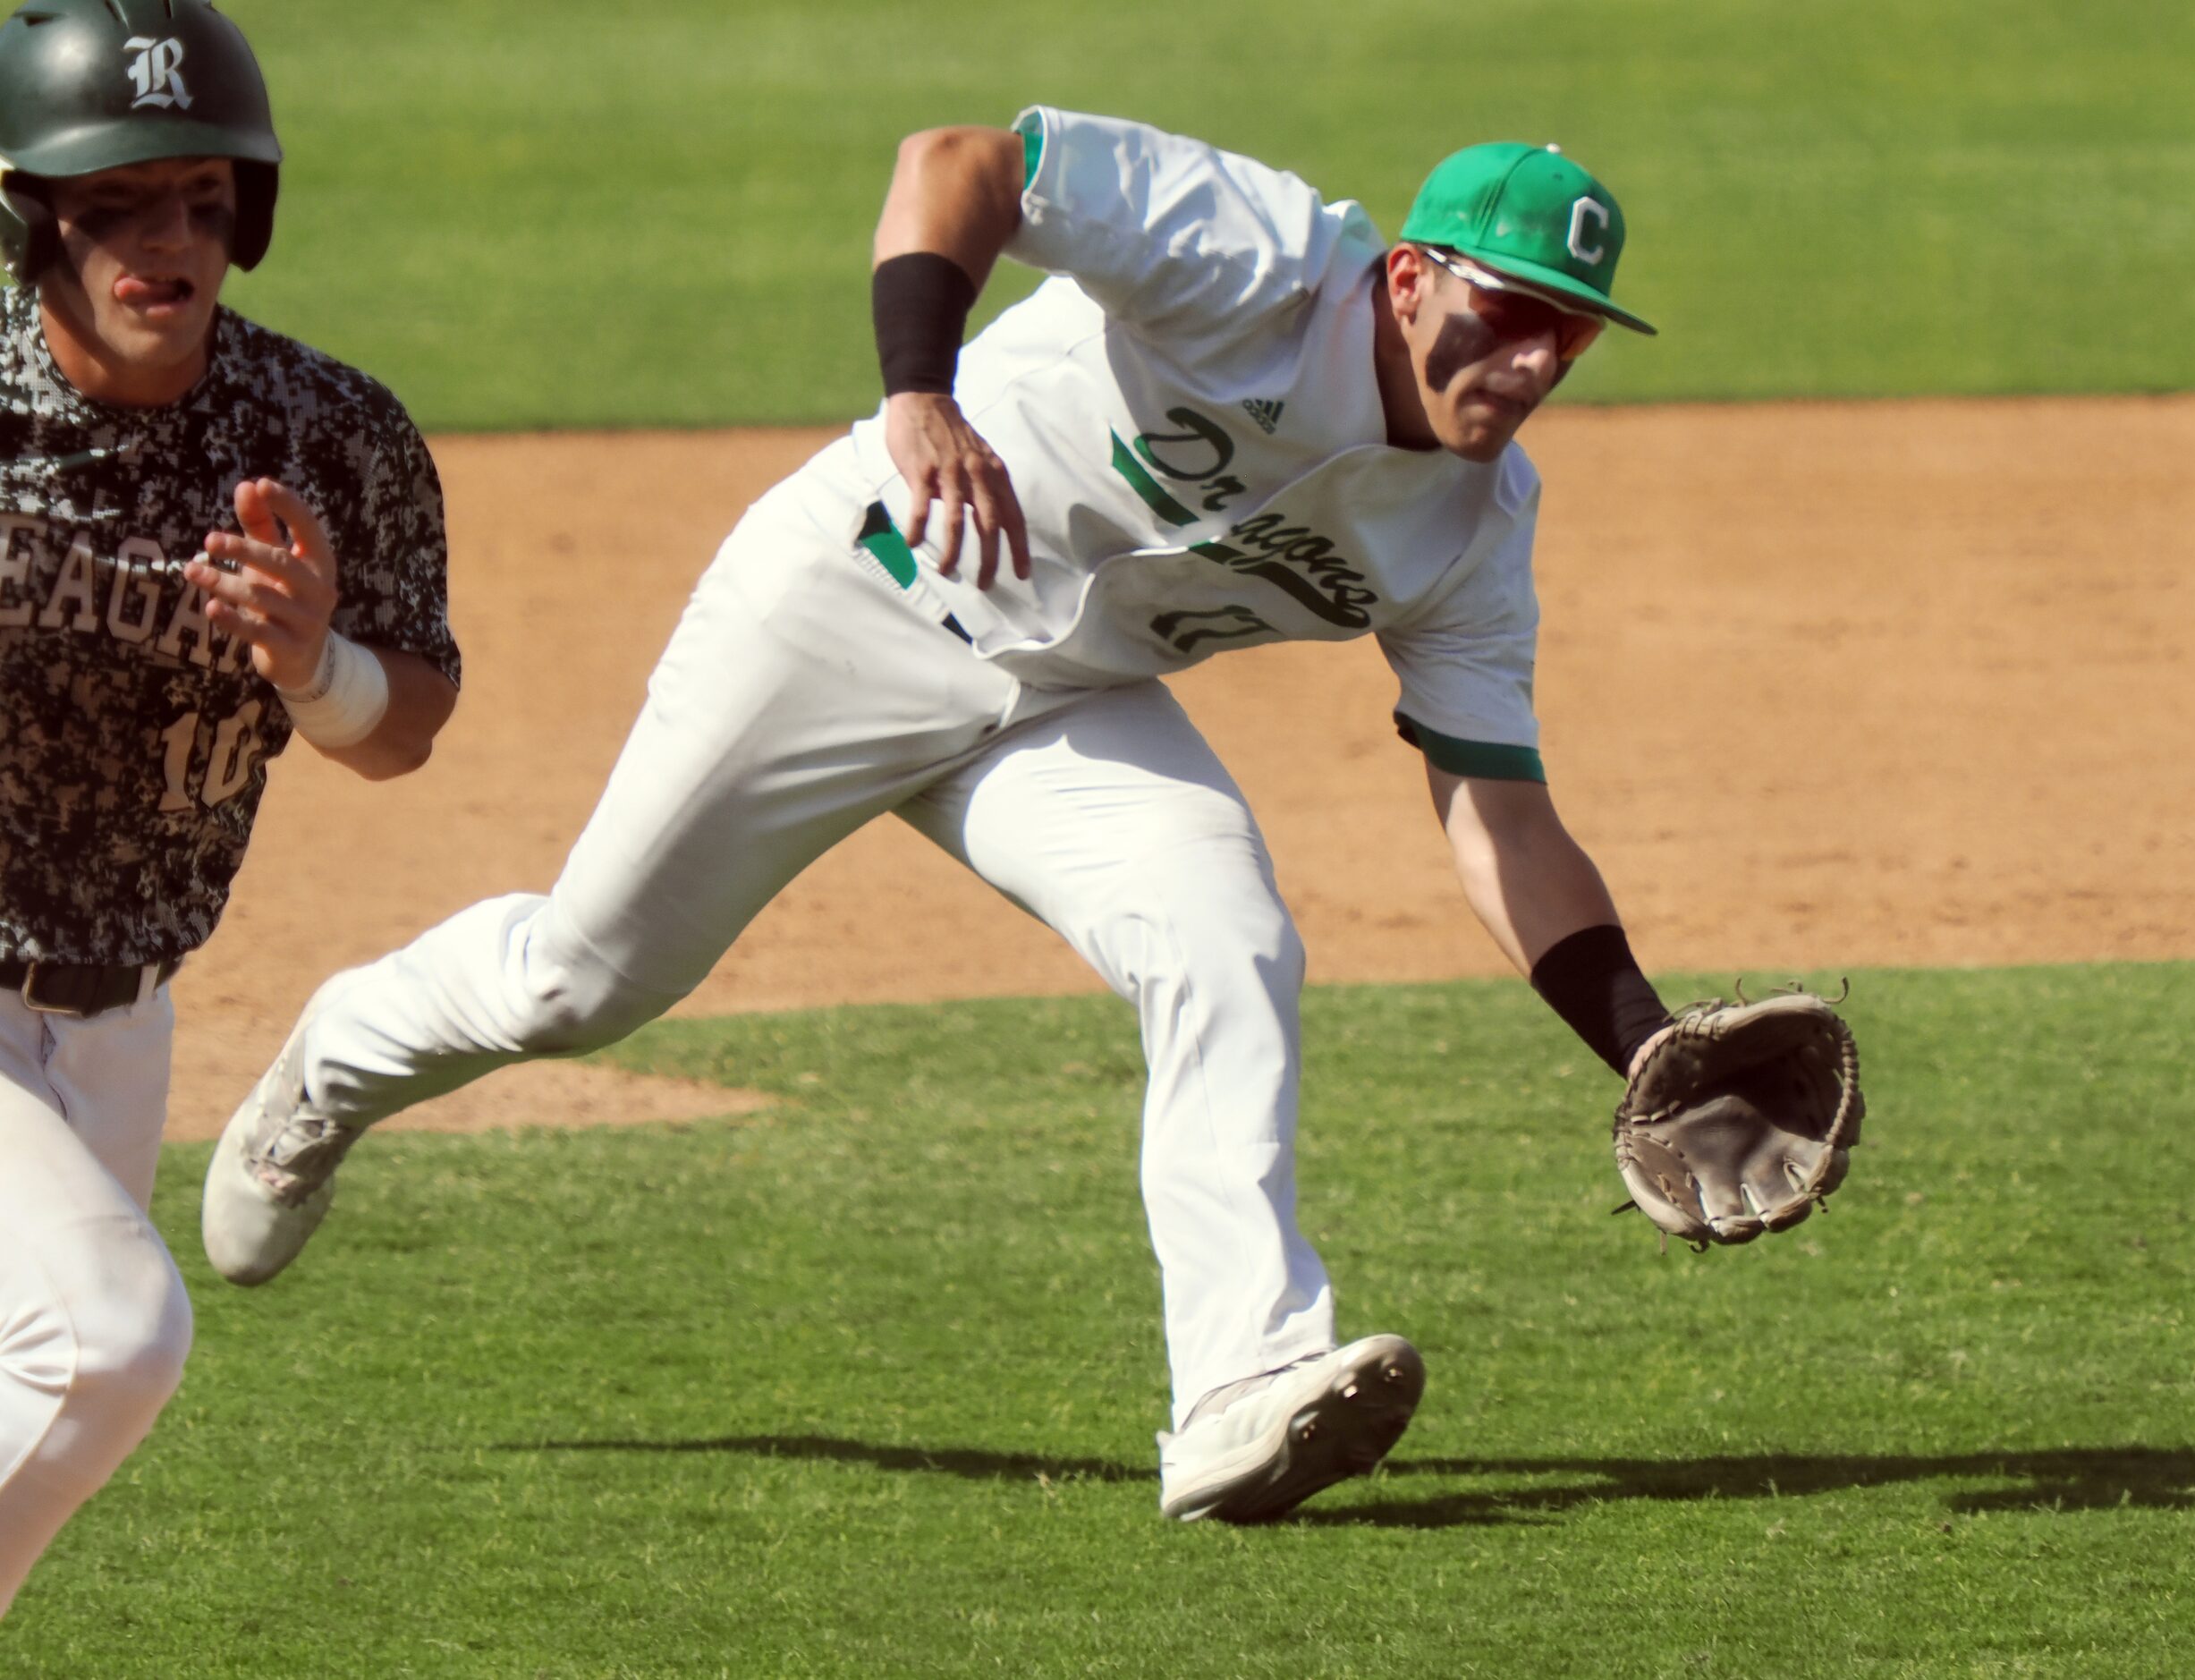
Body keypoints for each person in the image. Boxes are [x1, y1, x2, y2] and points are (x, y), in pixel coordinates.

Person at [203, 108, 1674, 1525]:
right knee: (575, 983)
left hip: (1066, 701)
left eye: (1571, 332)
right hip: (858, 599)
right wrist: (919, 393)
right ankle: (333, 1063)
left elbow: (1499, 811)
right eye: (1507, 310)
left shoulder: (1476, 524)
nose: (1535, 356)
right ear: (1410, 279)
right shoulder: (1263, 258)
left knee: (1225, 935)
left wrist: (1648, 1043)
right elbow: (962, 163)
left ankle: (1243, 1378)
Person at [0, 0, 461, 1614]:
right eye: (116, 202)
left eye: (199, 196)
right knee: (112, 1339)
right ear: (33, 216)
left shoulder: (328, 435)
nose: (165, 241)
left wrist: (316, 664)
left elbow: (408, 722)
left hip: (121, 1026)